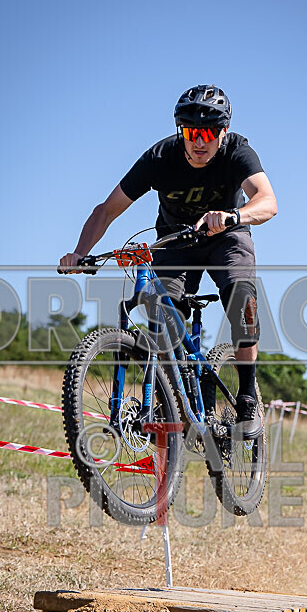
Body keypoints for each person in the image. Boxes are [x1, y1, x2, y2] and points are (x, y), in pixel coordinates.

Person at [59, 84, 277, 438]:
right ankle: (178, 388)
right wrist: (80, 252)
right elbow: (106, 210)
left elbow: (267, 201)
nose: (199, 141)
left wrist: (233, 216)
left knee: (241, 297)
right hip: (177, 241)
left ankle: (248, 394)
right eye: (191, 132)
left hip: (227, 236)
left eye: (208, 133)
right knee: (160, 309)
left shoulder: (238, 150)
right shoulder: (161, 158)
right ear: (181, 131)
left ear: (223, 132)